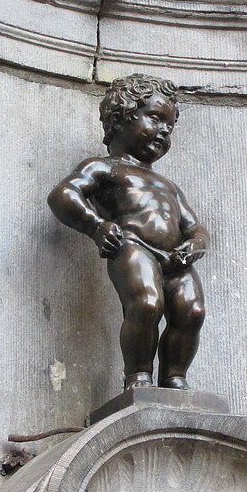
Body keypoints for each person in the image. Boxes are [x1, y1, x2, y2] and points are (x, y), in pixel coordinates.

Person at [48, 73, 209, 390]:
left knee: (192, 311)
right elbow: (63, 195)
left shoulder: (168, 186)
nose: (164, 131)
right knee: (146, 303)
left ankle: (175, 377)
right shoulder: (104, 167)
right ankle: (138, 375)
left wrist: (196, 243)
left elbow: (193, 225)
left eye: (170, 126)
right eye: (156, 118)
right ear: (122, 117)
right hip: (133, 246)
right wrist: (96, 226)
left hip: (177, 259)